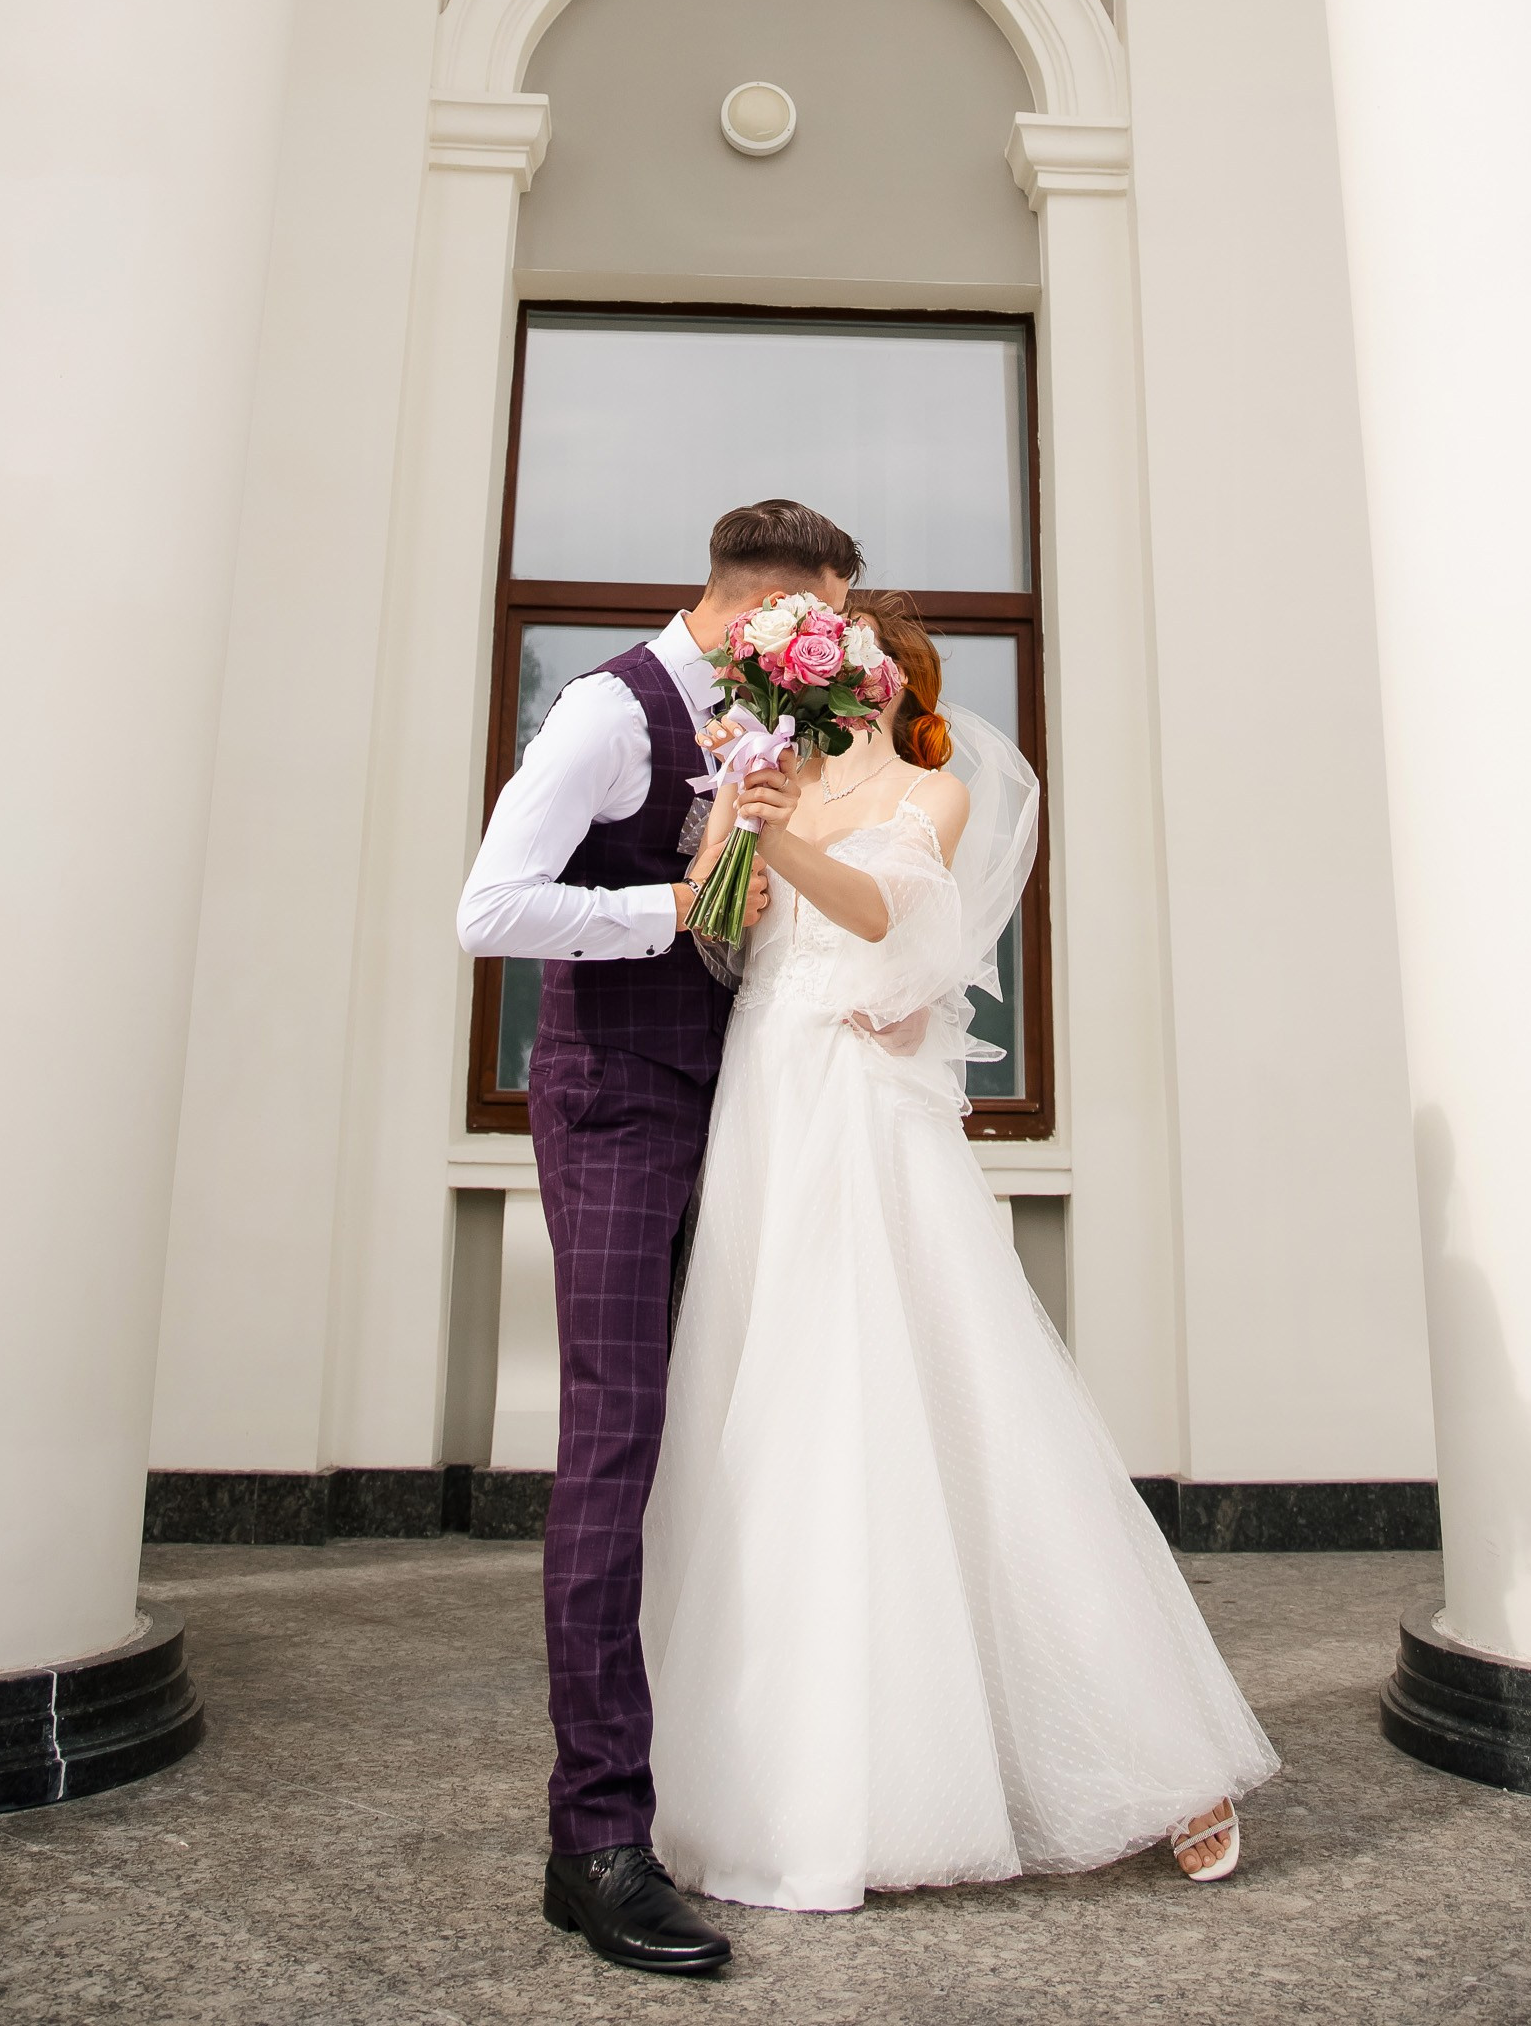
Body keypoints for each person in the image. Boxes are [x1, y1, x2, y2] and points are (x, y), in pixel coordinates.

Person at [643, 590, 1278, 1915]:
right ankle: (790, 1775)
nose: (852, 674)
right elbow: (719, 924)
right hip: (771, 1085)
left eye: (870, 658)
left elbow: (882, 916)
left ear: (896, 681)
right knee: (776, 1403)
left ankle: (1156, 1761)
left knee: (959, 1395)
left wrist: (777, 832)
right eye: (836, 656)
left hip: (867, 1110)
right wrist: (731, 827)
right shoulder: (765, 777)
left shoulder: (933, 793)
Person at [457, 498, 864, 1979]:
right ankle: (594, 1840)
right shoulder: (608, 712)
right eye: (827, 624)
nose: (836, 652)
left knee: (729, 1434)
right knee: (615, 1442)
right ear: (765, 611)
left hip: (737, 1100)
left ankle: (716, 1780)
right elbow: (489, 908)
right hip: (616, 1102)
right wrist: (669, 903)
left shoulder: (766, 720)